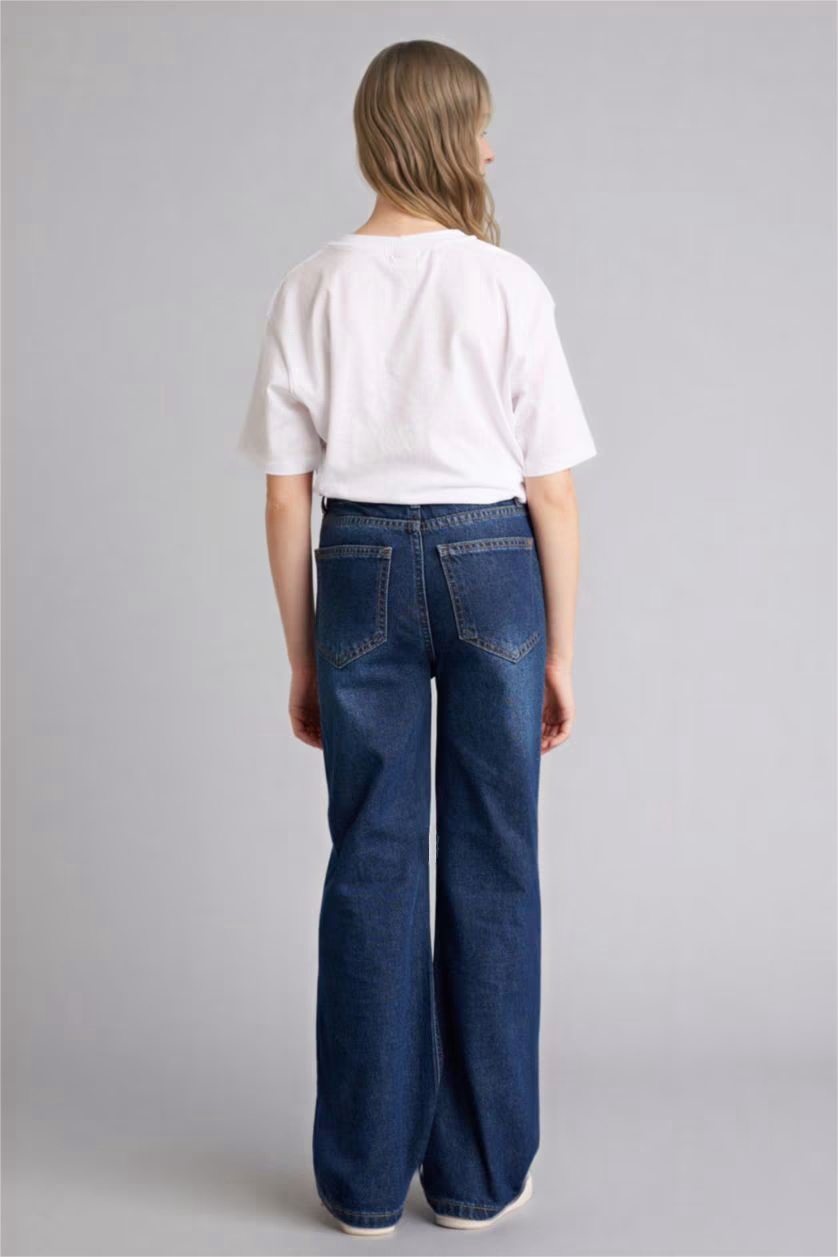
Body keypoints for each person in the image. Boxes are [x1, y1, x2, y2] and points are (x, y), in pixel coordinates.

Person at [236, 38, 597, 1237]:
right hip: (493, 562)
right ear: (446, 138)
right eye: (481, 127)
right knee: (494, 858)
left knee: (371, 861)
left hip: (358, 565)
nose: (492, 150)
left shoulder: (312, 284)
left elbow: (285, 496)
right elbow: (552, 493)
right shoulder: (507, 284)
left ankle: (357, 1184)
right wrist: (557, 652)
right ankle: (477, 1179)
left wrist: (303, 655)